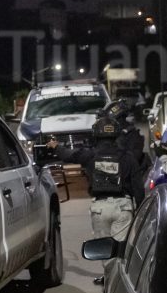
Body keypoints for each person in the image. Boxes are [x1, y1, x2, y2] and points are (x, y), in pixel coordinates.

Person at [50, 116, 139, 283]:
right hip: (123, 208)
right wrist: (140, 212)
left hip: (100, 208)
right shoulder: (128, 157)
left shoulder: (89, 155)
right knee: (121, 250)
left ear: (96, 135)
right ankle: (119, 282)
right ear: (117, 134)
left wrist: (56, 146)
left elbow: (68, 155)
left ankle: (110, 279)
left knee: (105, 250)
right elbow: (138, 189)